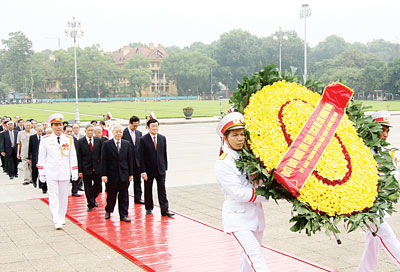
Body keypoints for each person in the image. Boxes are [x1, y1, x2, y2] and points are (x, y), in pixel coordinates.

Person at [215, 112, 270, 272]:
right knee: (256, 258)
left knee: (247, 261)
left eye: (242, 134)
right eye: (235, 135)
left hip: (256, 217)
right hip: (238, 218)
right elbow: (239, 193)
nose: (240, 139)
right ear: (225, 138)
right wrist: (268, 193)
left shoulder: (248, 157)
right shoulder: (224, 163)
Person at [357, 110, 400, 271]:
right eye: (382, 129)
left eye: (388, 130)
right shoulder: (361, 152)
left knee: (373, 241)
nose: (385, 134)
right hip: (369, 207)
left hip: (384, 205)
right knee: (388, 237)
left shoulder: (388, 153)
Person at [37, 113, 78, 230]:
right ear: (52, 126)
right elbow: (42, 158)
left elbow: (72, 157)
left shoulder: (69, 139)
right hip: (51, 172)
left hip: (64, 172)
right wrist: (42, 173)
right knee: (53, 196)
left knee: (64, 196)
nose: (58, 127)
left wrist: (74, 171)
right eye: (56, 125)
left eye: (60, 125)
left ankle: (61, 216)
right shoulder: (45, 140)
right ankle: (56, 218)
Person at [139, 118, 174, 217]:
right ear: (148, 128)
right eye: (153, 126)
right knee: (148, 189)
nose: (155, 128)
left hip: (160, 169)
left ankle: (164, 210)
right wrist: (143, 171)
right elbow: (140, 157)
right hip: (148, 170)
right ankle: (149, 208)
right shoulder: (143, 139)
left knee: (162, 190)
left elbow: (164, 154)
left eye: (156, 126)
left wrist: (165, 168)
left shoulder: (162, 138)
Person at [102, 125, 134, 222]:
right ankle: (108, 210)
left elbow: (130, 160)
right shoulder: (107, 144)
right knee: (111, 195)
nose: (118, 134)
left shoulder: (127, 144)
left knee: (124, 195)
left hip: (124, 174)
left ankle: (123, 214)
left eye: (120, 132)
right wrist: (104, 174)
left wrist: (131, 174)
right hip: (111, 175)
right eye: (117, 132)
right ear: (113, 133)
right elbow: (104, 160)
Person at [77, 125, 102, 212]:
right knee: (87, 187)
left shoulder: (99, 141)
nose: (90, 132)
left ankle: (93, 198)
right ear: (85, 131)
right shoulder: (80, 142)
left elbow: (101, 155)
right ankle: (90, 203)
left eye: (92, 130)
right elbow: (79, 157)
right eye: (89, 130)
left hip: (97, 168)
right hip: (86, 168)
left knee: (98, 187)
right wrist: (80, 170)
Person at [122, 115, 144, 204]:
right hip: (127, 162)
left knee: (138, 181)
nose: (135, 127)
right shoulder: (123, 133)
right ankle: (124, 198)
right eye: (134, 125)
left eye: (137, 126)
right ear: (129, 123)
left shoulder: (139, 133)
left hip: (137, 162)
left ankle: (138, 198)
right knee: (126, 182)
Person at [64, 125, 81, 197]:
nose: (69, 133)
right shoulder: (62, 139)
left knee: (75, 175)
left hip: (73, 160)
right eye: (67, 131)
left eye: (71, 131)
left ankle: (74, 191)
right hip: (64, 161)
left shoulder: (74, 139)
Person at [29, 124, 46, 192]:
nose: (40, 132)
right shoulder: (32, 137)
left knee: (41, 171)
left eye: (41, 131)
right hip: (34, 156)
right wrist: (29, 157)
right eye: (39, 131)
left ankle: (41, 185)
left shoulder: (44, 137)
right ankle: (34, 180)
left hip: (42, 156)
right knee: (35, 170)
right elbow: (30, 148)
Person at [17, 121, 34, 185]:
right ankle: (26, 179)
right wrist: (18, 153)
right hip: (24, 152)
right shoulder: (20, 133)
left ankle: (32, 178)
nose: (28, 127)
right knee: (25, 166)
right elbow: (19, 143)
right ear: (24, 126)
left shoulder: (34, 132)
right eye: (27, 125)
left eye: (29, 125)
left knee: (32, 166)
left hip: (32, 152)